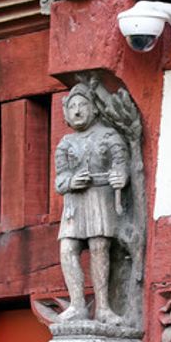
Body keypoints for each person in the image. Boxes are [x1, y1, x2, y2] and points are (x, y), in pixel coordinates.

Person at [55, 81, 129, 323]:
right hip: (75, 203)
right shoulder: (66, 143)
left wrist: (121, 176)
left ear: (94, 108)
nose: (77, 111)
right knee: (67, 249)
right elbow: (60, 179)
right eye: (72, 106)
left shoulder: (109, 136)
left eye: (82, 105)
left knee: (99, 248)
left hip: (100, 197)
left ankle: (104, 308)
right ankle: (77, 304)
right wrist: (71, 181)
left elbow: (121, 165)